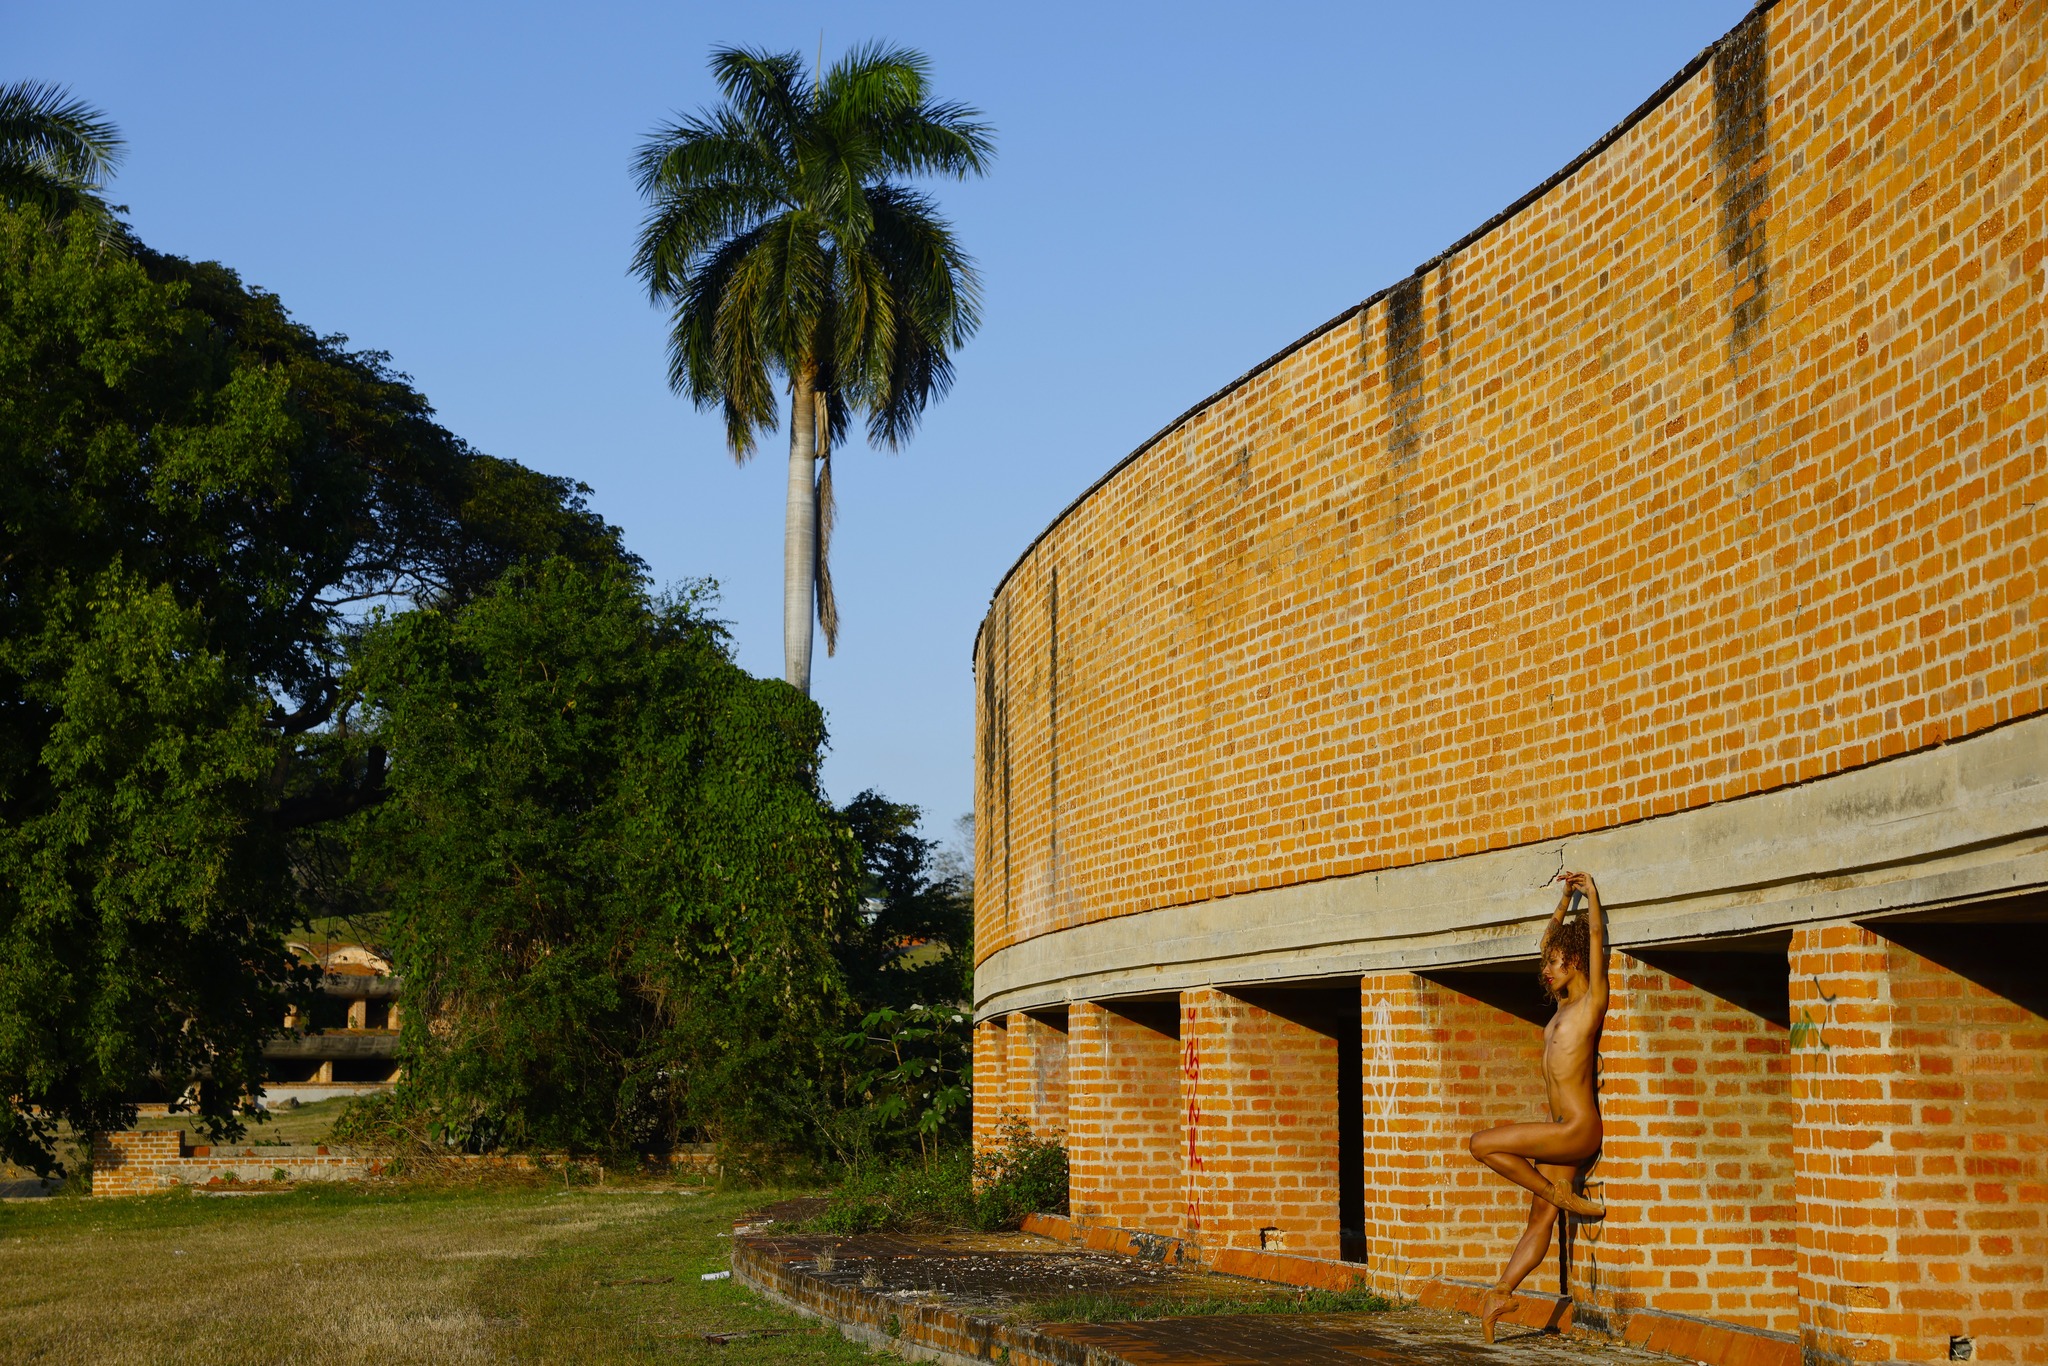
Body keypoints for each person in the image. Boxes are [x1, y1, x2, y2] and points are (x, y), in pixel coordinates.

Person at [1467, 870, 1608, 1344]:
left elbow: (1592, 942)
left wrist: (1591, 899)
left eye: (1557, 961)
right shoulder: (1558, 1011)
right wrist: (1563, 899)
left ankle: (1559, 1195)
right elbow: (1550, 940)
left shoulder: (1591, 1004)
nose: (1548, 968)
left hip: (1579, 1129)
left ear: (1576, 962)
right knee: (1540, 1221)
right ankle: (1499, 1294)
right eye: (1546, 962)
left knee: (1481, 1144)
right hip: (1559, 1131)